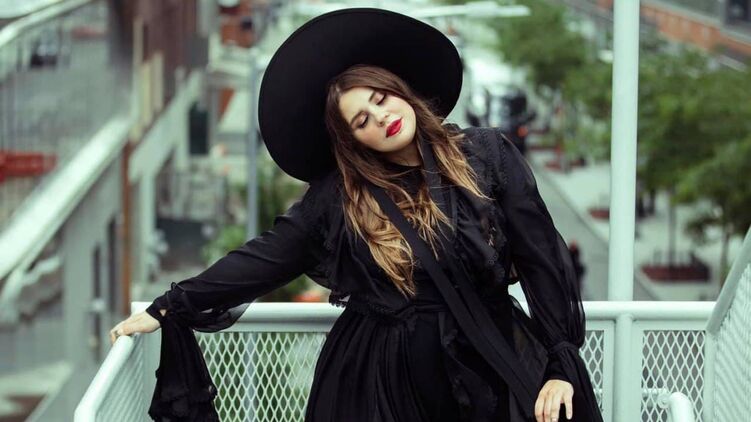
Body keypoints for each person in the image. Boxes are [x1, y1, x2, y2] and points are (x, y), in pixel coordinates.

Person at [109, 8, 603, 422]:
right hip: (384, 384)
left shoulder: (486, 154)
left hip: (490, 359)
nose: (381, 117)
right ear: (353, 141)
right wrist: (169, 305)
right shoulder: (338, 199)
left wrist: (560, 363)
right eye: (362, 120)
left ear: (401, 91)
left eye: (381, 98)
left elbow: (541, 258)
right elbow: (267, 257)